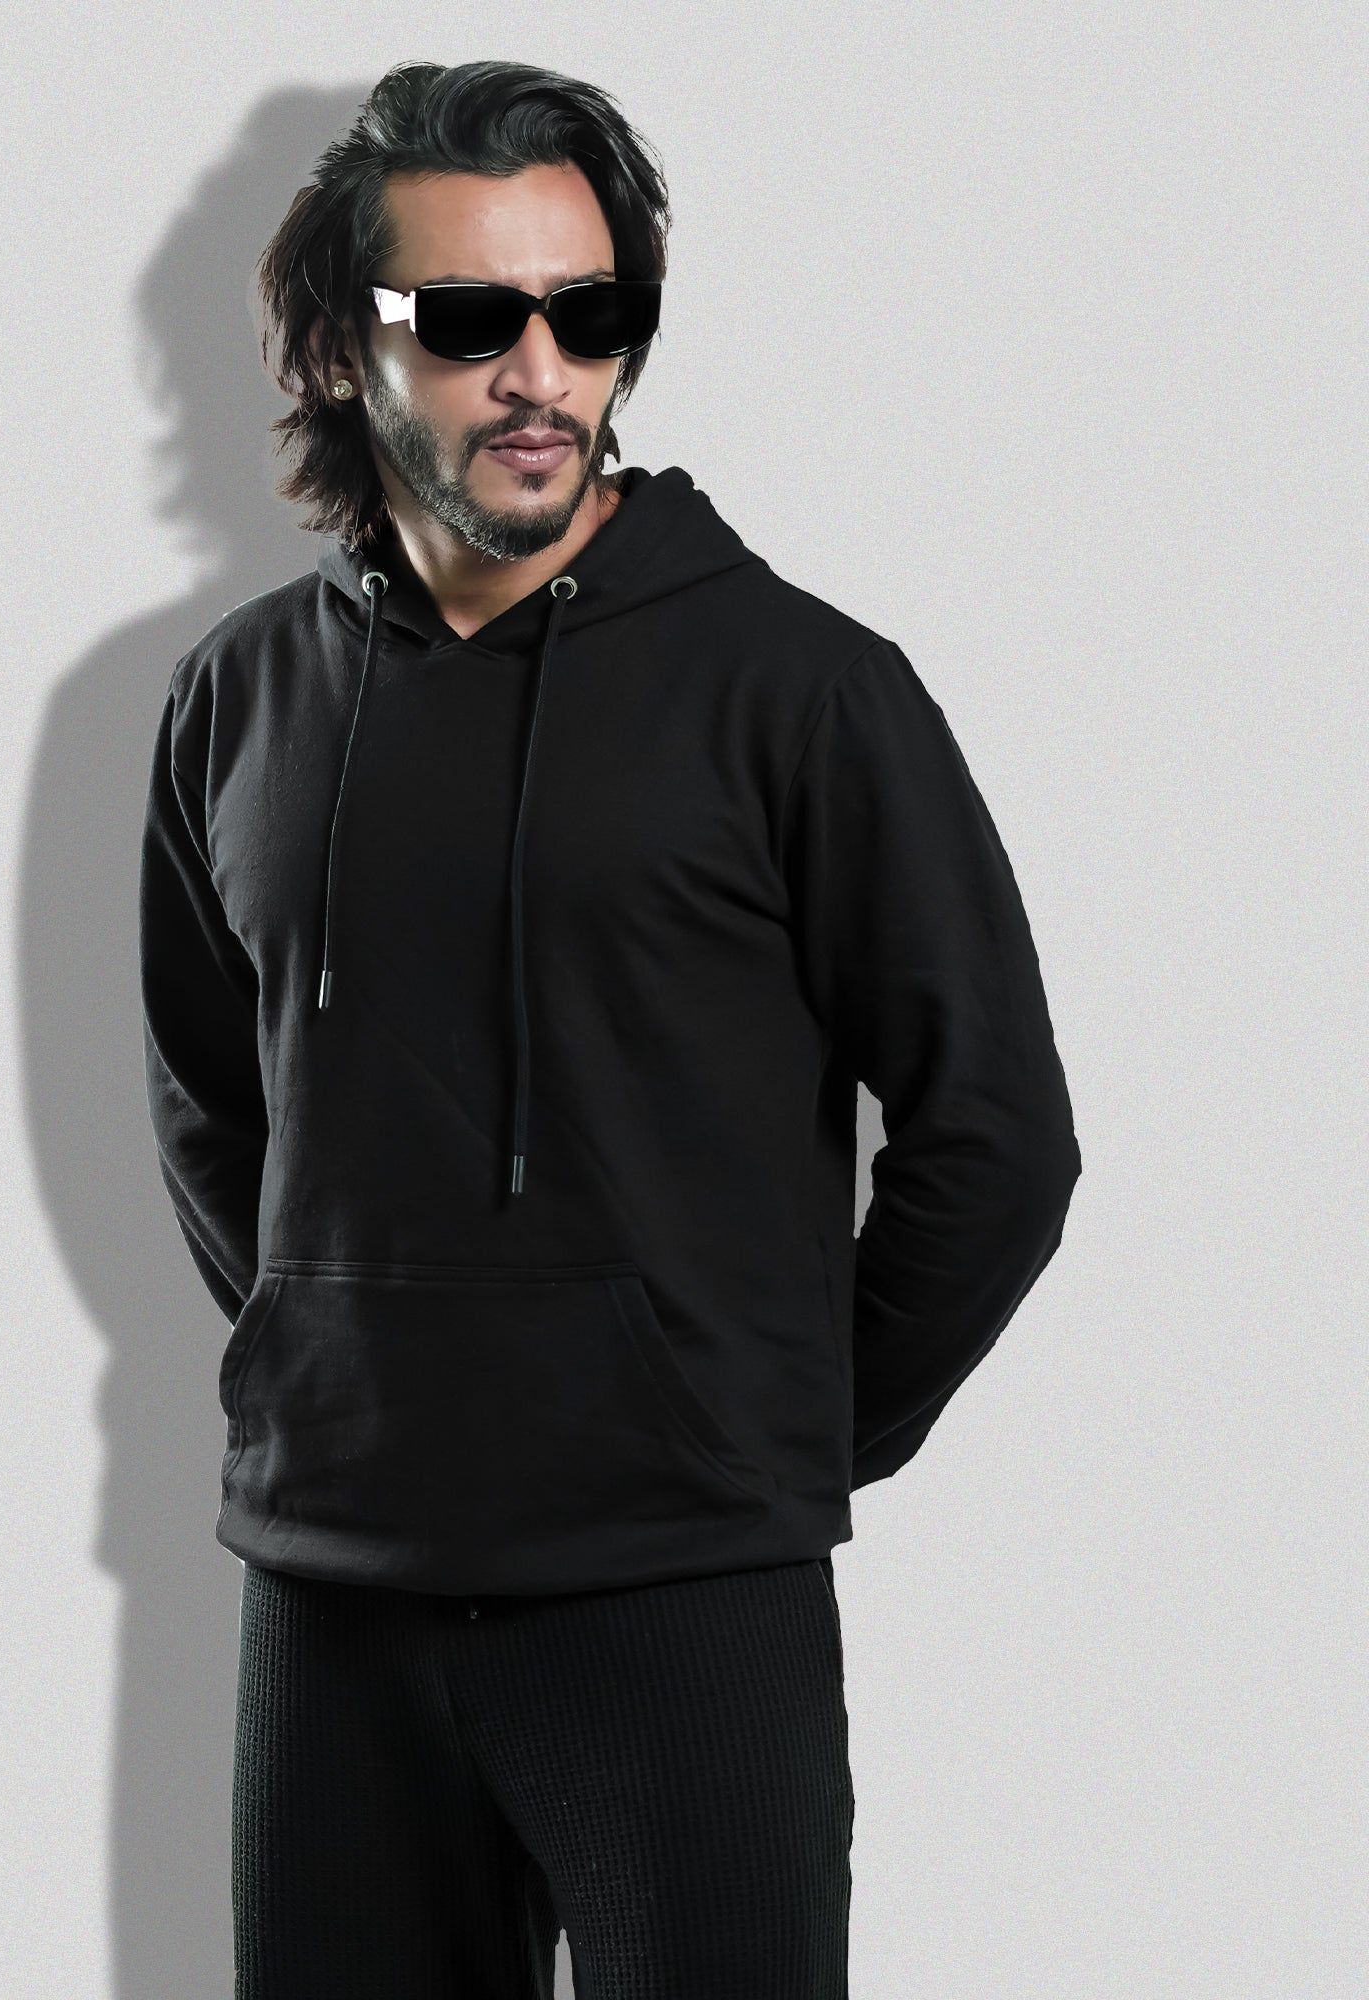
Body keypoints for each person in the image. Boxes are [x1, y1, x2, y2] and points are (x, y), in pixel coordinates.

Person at [138, 57, 1081, 2000]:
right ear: (338, 346)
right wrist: (345, 1353)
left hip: (679, 1603)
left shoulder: (802, 692)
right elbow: (212, 1109)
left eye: (589, 313)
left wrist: (754, 1430)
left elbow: (993, 1139)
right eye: (469, 317)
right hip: (333, 1597)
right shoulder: (237, 702)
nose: (538, 372)